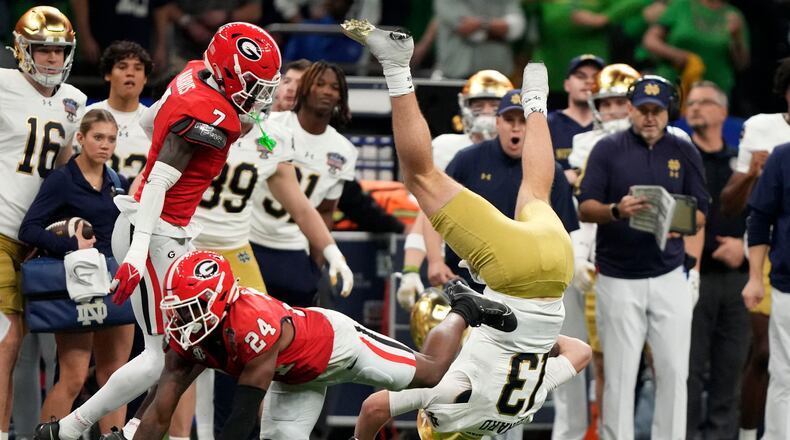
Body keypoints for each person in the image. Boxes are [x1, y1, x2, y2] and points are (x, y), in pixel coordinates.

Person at [339, 19, 592, 438]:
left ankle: (534, 102)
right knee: (420, 178)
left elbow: (579, 352)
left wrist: (534, 340)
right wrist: (464, 312)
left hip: (556, 269)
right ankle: (396, 66)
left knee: (536, 193)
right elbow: (373, 408)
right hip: (515, 275)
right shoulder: (454, 411)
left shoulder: (519, 413)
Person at [33, 22, 282, 440]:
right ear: (229, 74)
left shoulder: (194, 72)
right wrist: (135, 254)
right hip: (154, 230)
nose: (259, 96)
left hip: (160, 228)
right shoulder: (211, 114)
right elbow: (160, 183)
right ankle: (72, 430)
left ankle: (126, 430)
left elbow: (150, 123)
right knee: (161, 354)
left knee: (180, 347)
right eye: (253, 85)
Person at [131, 249, 517, 439]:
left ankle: (464, 306)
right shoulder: (188, 333)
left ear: (221, 299)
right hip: (295, 375)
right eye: (179, 309)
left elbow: (241, 416)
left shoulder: (254, 324)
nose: (184, 319)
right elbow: (160, 411)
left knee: (432, 372)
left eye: (193, 307)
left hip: (337, 345)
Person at [577, 75, 709, 440]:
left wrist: (676, 220)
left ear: (669, 112)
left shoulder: (683, 150)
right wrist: (617, 210)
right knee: (619, 374)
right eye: (643, 110)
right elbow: (585, 207)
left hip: (669, 273)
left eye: (657, 110)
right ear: (631, 109)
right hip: (619, 276)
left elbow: (700, 213)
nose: (650, 118)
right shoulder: (607, 149)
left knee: (673, 371)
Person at [0, 6, 86, 439]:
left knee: (51, 348)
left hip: (38, 238)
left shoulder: (76, 101)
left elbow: (65, 171)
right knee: (7, 339)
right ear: (22, 49)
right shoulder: (1, 85)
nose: (52, 59)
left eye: (59, 51)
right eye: (43, 50)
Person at [18, 109, 132, 435]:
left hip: (112, 280)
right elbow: (30, 229)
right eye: (98, 137)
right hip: (76, 284)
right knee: (73, 375)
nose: (105, 145)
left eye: (111, 139)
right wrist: (70, 245)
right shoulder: (62, 180)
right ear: (80, 138)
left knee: (116, 375)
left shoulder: (117, 181)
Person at [719, 57, 790, 440]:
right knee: (767, 357)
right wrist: (751, 174)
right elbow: (736, 207)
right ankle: (751, 436)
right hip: (771, 262)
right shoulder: (767, 135)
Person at [398, 69, 513, 302]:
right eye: (479, 105)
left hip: (507, 260)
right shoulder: (447, 148)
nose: (486, 114)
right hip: (454, 261)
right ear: (465, 107)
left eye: (494, 105)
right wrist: (411, 270)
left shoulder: (521, 153)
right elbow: (428, 212)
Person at [249, 61, 357, 307]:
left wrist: (316, 263)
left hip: (293, 247)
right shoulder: (271, 126)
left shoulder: (344, 150)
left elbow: (325, 211)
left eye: (334, 87)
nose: (328, 91)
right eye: (320, 84)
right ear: (306, 88)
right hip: (250, 238)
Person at [683, 81, 751, 440]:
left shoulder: (740, 161)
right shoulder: (678, 157)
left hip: (739, 277)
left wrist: (743, 245)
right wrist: (709, 248)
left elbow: (759, 212)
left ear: (723, 113)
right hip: (693, 278)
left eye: (704, 102)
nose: (694, 108)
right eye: (690, 103)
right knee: (688, 372)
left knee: (731, 371)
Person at [741, 141, 790, 440]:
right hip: (788, 286)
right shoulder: (783, 156)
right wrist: (755, 277)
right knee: (784, 376)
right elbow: (759, 219)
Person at [642, 0, 749, 97]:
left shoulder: (733, 15)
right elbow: (650, 40)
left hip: (713, 92)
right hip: (673, 85)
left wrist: (737, 38)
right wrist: (676, 55)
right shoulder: (682, 5)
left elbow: (741, 63)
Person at [90, 41, 153, 180]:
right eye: (122, 67)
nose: (130, 73)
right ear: (108, 74)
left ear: (145, 78)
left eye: (138, 68)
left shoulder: (154, 122)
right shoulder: (87, 116)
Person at [432, 0, 525, 79]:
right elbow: (467, 28)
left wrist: (482, 24)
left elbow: (516, 29)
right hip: (457, 73)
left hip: (498, 74)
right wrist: (500, 31)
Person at [548, 54, 604, 185]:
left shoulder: (610, 126)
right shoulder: (547, 124)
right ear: (567, 84)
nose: (589, 82)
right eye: (580, 76)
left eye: (596, 77)